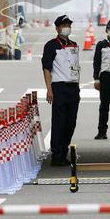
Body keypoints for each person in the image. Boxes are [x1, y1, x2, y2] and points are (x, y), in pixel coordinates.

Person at [41, 15, 81, 166]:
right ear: (57, 28)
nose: (67, 27)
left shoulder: (74, 45)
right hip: (59, 87)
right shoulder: (51, 45)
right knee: (59, 122)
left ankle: (64, 152)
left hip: (73, 88)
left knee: (71, 122)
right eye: (64, 25)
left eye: (68, 24)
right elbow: (46, 68)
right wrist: (49, 89)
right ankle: (57, 155)